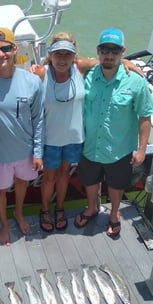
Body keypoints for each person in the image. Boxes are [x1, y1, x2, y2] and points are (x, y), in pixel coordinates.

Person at [74, 27, 153, 237]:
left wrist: (142, 149)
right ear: (98, 51)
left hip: (119, 149)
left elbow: (145, 116)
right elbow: (64, 60)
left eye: (114, 51)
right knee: (90, 180)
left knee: (117, 185)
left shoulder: (136, 82)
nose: (109, 55)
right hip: (90, 145)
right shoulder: (87, 74)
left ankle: (114, 214)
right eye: (105, 50)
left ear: (123, 51)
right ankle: (92, 208)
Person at [0, 27, 44, 245]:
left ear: (15, 49)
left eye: (6, 48)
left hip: (25, 151)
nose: (1, 54)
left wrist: (38, 152)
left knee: (22, 183)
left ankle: (19, 213)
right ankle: (4, 223)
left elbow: (39, 119)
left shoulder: (33, 82)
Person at [31, 32, 98, 232]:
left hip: (74, 138)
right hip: (50, 139)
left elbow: (108, 62)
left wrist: (127, 64)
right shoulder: (41, 73)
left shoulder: (80, 67)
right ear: (50, 54)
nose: (62, 59)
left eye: (67, 54)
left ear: (74, 56)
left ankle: (59, 208)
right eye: (57, 54)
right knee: (49, 177)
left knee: (64, 176)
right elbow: (13, 77)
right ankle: (44, 209)